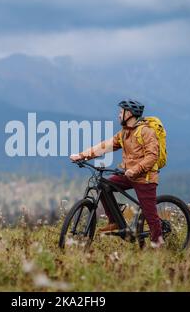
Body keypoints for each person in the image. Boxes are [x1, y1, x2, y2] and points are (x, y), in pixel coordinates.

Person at [69, 100, 165, 248]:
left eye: (121, 112)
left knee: (150, 214)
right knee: (105, 185)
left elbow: (152, 156)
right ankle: (114, 221)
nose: (119, 115)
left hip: (145, 177)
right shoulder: (124, 133)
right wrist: (82, 156)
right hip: (128, 174)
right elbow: (105, 146)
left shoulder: (146, 131)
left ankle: (158, 244)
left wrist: (135, 169)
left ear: (130, 114)